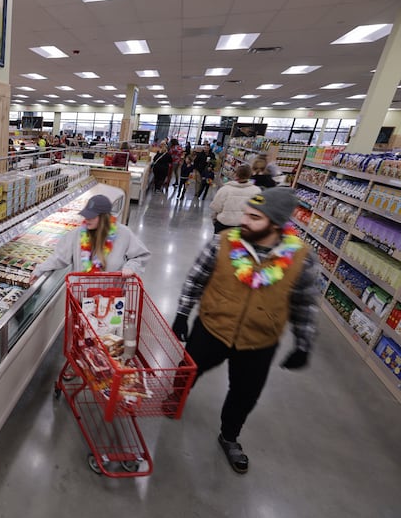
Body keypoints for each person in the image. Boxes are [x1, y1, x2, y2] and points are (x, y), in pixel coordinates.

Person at [169, 187, 319, 474]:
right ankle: (173, 399)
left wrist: (304, 343)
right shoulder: (222, 242)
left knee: (245, 393)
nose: (244, 221)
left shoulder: (301, 257)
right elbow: (195, 279)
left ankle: (230, 436)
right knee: (187, 370)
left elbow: (305, 302)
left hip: (260, 339)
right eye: (246, 214)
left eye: (254, 217)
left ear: (276, 223)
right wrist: (182, 314)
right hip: (212, 327)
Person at [30, 194, 150, 282]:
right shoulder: (77, 235)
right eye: (86, 215)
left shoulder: (124, 234)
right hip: (80, 299)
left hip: (110, 301)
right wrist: (39, 269)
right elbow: (59, 256)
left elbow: (141, 255)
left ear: (104, 217)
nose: (86, 219)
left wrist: (130, 267)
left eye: (91, 217)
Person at [209, 164, 261, 233]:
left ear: (236, 174)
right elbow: (257, 209)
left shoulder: (225, 189)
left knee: (220, 243)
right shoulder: (256, 191)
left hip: (224, 224)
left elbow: (216, 207)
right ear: (249, 175)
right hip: (243, 226)